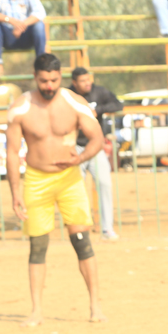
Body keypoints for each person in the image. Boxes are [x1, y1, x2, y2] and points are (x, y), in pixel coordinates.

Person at [6, 53, 108, 326]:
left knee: (81, 241)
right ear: (35, 77)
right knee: (37, 246)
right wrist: (15, 192)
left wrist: (80, 158)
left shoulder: (75, 103)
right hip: (36, 180)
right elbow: (12, 153)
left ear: (60, 76)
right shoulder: (20, 108)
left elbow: (97, 138)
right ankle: (37, 311)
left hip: (69, 179)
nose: (49, 86)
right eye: (43, 81)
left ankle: (95, 306)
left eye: (53, 80)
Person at [68, 67, 122, 241]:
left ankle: (107, 229)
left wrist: (98, 110)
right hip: (75, 147)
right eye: (82, 81)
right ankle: (80, 229)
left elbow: (118, 104)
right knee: (77, 189)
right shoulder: (67, 95)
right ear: (74, 82)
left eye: (88, 79)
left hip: (95, 146)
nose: (87, 83)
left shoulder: (99, 92)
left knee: (105, 185)